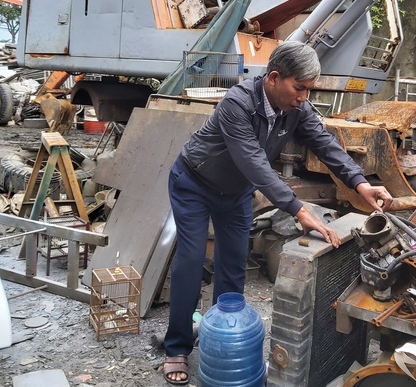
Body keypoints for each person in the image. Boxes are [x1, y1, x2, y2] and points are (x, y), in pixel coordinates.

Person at [162, 41, 394, 385]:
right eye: (298, 87)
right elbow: (254, 162)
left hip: (236, 192)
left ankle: (223, 336)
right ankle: (177, 347)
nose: (303, 96)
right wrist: (298, 209)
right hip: (193, 182)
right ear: (273, 78)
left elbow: (326, 145)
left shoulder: (297, 109)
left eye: (308, 89)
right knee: (192, 260)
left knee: (233, 264)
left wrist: (361, 184)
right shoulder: (237, 103)